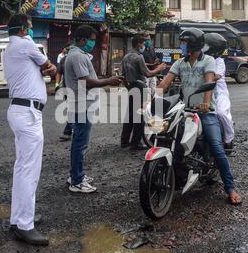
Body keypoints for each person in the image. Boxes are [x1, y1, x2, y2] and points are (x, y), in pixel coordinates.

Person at [157, 28, 242, 205]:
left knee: (218, 149)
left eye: (183, 43)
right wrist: (151, 99)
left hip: (205, 111)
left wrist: (205, 103)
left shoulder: (209, 61)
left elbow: (210, 82)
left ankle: (231, 188)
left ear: (193, 45)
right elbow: (165, 83)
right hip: (184, 109)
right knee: (166, 134)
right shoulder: (180, 63)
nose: (181, 46)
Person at [3, 13, 57, 246]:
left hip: (20, 111)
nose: (32, 30)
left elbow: (40, 69)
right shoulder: (25, 45)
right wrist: (50, 69)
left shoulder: (11, 48)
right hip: (27, 114)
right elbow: (50, 67)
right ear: (24, 29)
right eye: (31, 26)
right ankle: (25, 225)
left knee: (21, 168)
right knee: (29, 170)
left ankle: (18, 219)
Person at [64, 25, 122, 193]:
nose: (92, 43)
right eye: (91, 40)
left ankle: (75, 175)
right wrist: (109, 81)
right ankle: (77, 180)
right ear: (82, 39)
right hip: (81, 105)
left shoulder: (76, 54)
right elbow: (86, 81)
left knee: (78, 142)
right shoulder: (77, 56)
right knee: (80, 143)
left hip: (80, 103)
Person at [121, 35, 168, 150]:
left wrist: (128, 88)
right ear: (138, 44)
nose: (144, 46)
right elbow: (147, 74)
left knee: (130, 115)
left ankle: (124, 141)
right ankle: (135, 143)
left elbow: (123, 76)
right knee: (140, 114)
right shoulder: (139, 57)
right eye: (143, 44)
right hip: (140, 87)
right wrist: (159, 69)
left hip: (131, 86)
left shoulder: (126, 57)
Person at [203, 33, 234, 153]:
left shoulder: (219, 61)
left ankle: (228, 139)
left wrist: (203, 76)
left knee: (221, 114)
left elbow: (216, 76)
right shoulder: (202, 60)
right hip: (204, 92)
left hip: (219, 93)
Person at [56, 42, 73, 141]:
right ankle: (69, 131)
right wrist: (57, 84)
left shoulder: (79, 58)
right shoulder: (63, 60)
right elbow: (59, 73)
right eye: (67, 49)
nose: (67, 50)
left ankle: (68, 131)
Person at [142, 33, 161, 100]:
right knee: (146, 92)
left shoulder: (151, 48)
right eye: (146, 40)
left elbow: (155, 58)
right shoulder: (141, 50)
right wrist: (150, 64)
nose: (148, 41)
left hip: (152, 74)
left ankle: (152, 106)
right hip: (145, 74)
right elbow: (141, 63)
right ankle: (145, 106)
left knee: (153, 91)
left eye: (149, 39)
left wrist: (156, 60)